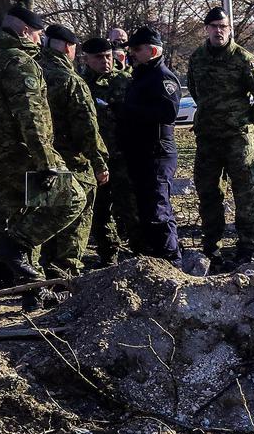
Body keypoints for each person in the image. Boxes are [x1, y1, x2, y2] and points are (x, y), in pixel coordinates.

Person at [0, 4, 66, 299]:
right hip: (20, 156)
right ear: (24, 31)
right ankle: (18, 262)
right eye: (38, 33)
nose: (40, 39)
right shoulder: (18, 61)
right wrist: (46, 161)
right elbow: (32, 117)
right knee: (65, 200)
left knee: (6, 218)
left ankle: (27, 290)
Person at [187, 7, 254, 264]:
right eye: (214, 26)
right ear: (206, 29)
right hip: (208, 139)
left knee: (244, 192)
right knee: (209, 192)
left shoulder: (243, 59)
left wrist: (246, 119)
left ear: (230, 29)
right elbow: (196, 91)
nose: (218, 31)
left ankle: (247, 246)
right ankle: (211, 246)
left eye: (223, 26)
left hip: (237, 139)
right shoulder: (197, 59)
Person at [36, 24, 109, 278]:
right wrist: (98, 162)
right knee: (74, 222)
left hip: (38, 161)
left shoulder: (31, 72)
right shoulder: (70, 80)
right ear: (68, 47)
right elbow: (86, 128)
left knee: (43, 221)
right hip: (73, 164)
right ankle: (66, 277)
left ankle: (38, 277)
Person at [119, 25, 182, 266]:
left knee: (158, 208)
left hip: (157, 152)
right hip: (141, 152)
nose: (132, 53)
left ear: (153, 51)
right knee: (146, 207)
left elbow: (168, 112)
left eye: (137, 49)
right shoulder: (142, 76)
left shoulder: (163, 77)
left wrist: (128, 111)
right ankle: (155, 257)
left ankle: (171, 259)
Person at [83, 36, 137, 261]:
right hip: (96, 157)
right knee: (100, 210)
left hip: (124, 155)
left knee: (131, 207)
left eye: (108, 56)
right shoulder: (81, 84)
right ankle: (108, 255)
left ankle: (139, 252)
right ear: (86, 59)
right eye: (99, 58)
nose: (105, 62)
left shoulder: (125, 81)